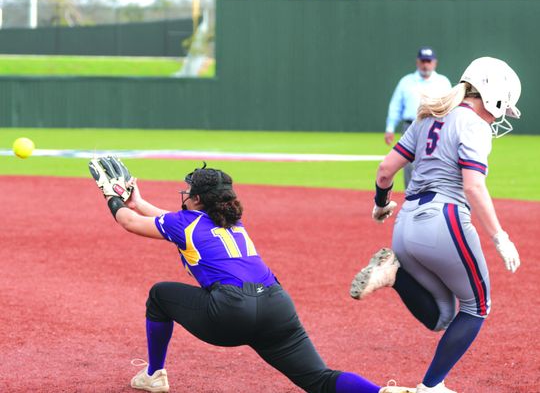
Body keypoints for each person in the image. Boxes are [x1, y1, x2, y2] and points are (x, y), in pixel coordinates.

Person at [90, 161, 413, 393]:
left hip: (230, 312)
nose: (184, 194)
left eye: (188, 191)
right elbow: (167, 219)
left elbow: (130, 223)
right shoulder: (230, 222)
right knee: (319, 379)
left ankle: (154, 374)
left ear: (198, 200)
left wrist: (111, 196)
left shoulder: (185, 223)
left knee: (160, 295)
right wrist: (138, 201)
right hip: (277, 307)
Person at [350, 57, 522, 393]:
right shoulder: (475, 124)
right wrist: (500, 238)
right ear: (492, 96)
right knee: (478, 307)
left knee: (444, 317)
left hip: (405, 225)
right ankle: (432, 387)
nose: (499, 115)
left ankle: (394, 273)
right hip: (444, 220)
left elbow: (385, 170)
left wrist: (381, 204)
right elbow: (473, 186)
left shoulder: (427, 118)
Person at [384, 47, 452, 188]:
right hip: (411, 125)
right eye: (423, 61)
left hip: (436, 125)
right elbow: (396, 105)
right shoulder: (406, 81)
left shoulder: (443, 82)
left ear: (435, 63)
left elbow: (450, 106)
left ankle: (433, 194)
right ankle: (410, 196)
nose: (425, 64)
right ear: (417, 62)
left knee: (436, 161)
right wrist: (390, 128)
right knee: (408, 162)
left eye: (428, 61)